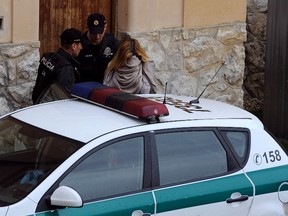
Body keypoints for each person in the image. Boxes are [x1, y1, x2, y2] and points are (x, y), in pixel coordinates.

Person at [32, 28, 83, 104]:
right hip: (51, 109)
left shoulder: (49, 57)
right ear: (74, 46)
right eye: (80, 44)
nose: (81, 47)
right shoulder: (66, 68)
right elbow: (63, 99)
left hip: (39, 104)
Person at [77, 13, 119, 83]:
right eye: (93, 33)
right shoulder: (79, 44)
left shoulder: (113, 43)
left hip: (105, 85)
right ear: (87, 27)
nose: (97, 37)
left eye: (100, 33)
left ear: (105, 27)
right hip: (84, 85)